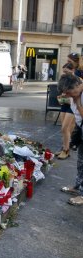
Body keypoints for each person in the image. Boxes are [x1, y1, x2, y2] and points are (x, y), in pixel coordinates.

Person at [57, 73, 83, 206]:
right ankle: (78, 187)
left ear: (78, 85)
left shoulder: (79, 96)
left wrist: (78, 104)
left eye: (70, 92)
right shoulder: (74, 94)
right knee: (80, 161)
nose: (70, 95)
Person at [56, 63, 78, 160]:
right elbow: (63, 91)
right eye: (64, 71)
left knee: (65, 128)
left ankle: (66, 150)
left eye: (66, 71)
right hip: (65, 104)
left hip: (73, 105)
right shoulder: (64, 79)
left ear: (73, 70)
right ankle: (64, 148)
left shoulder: (77, 80)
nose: (65, 73)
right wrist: (61, 97)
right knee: (64, 129)